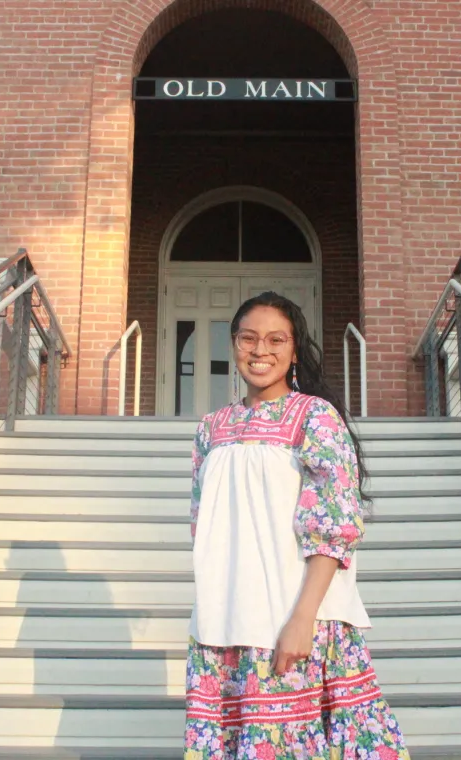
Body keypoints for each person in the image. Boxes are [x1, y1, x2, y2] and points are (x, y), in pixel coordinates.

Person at [184, 291, 409, 760]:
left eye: (275, 339)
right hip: (226, 621)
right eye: (248, 338)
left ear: (293, 349)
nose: (260, 350)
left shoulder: (314, 417)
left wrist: (302, 620)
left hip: (295, 617)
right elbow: (202, 523)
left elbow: (335, 523)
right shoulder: (211, 428)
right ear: (233, 343)